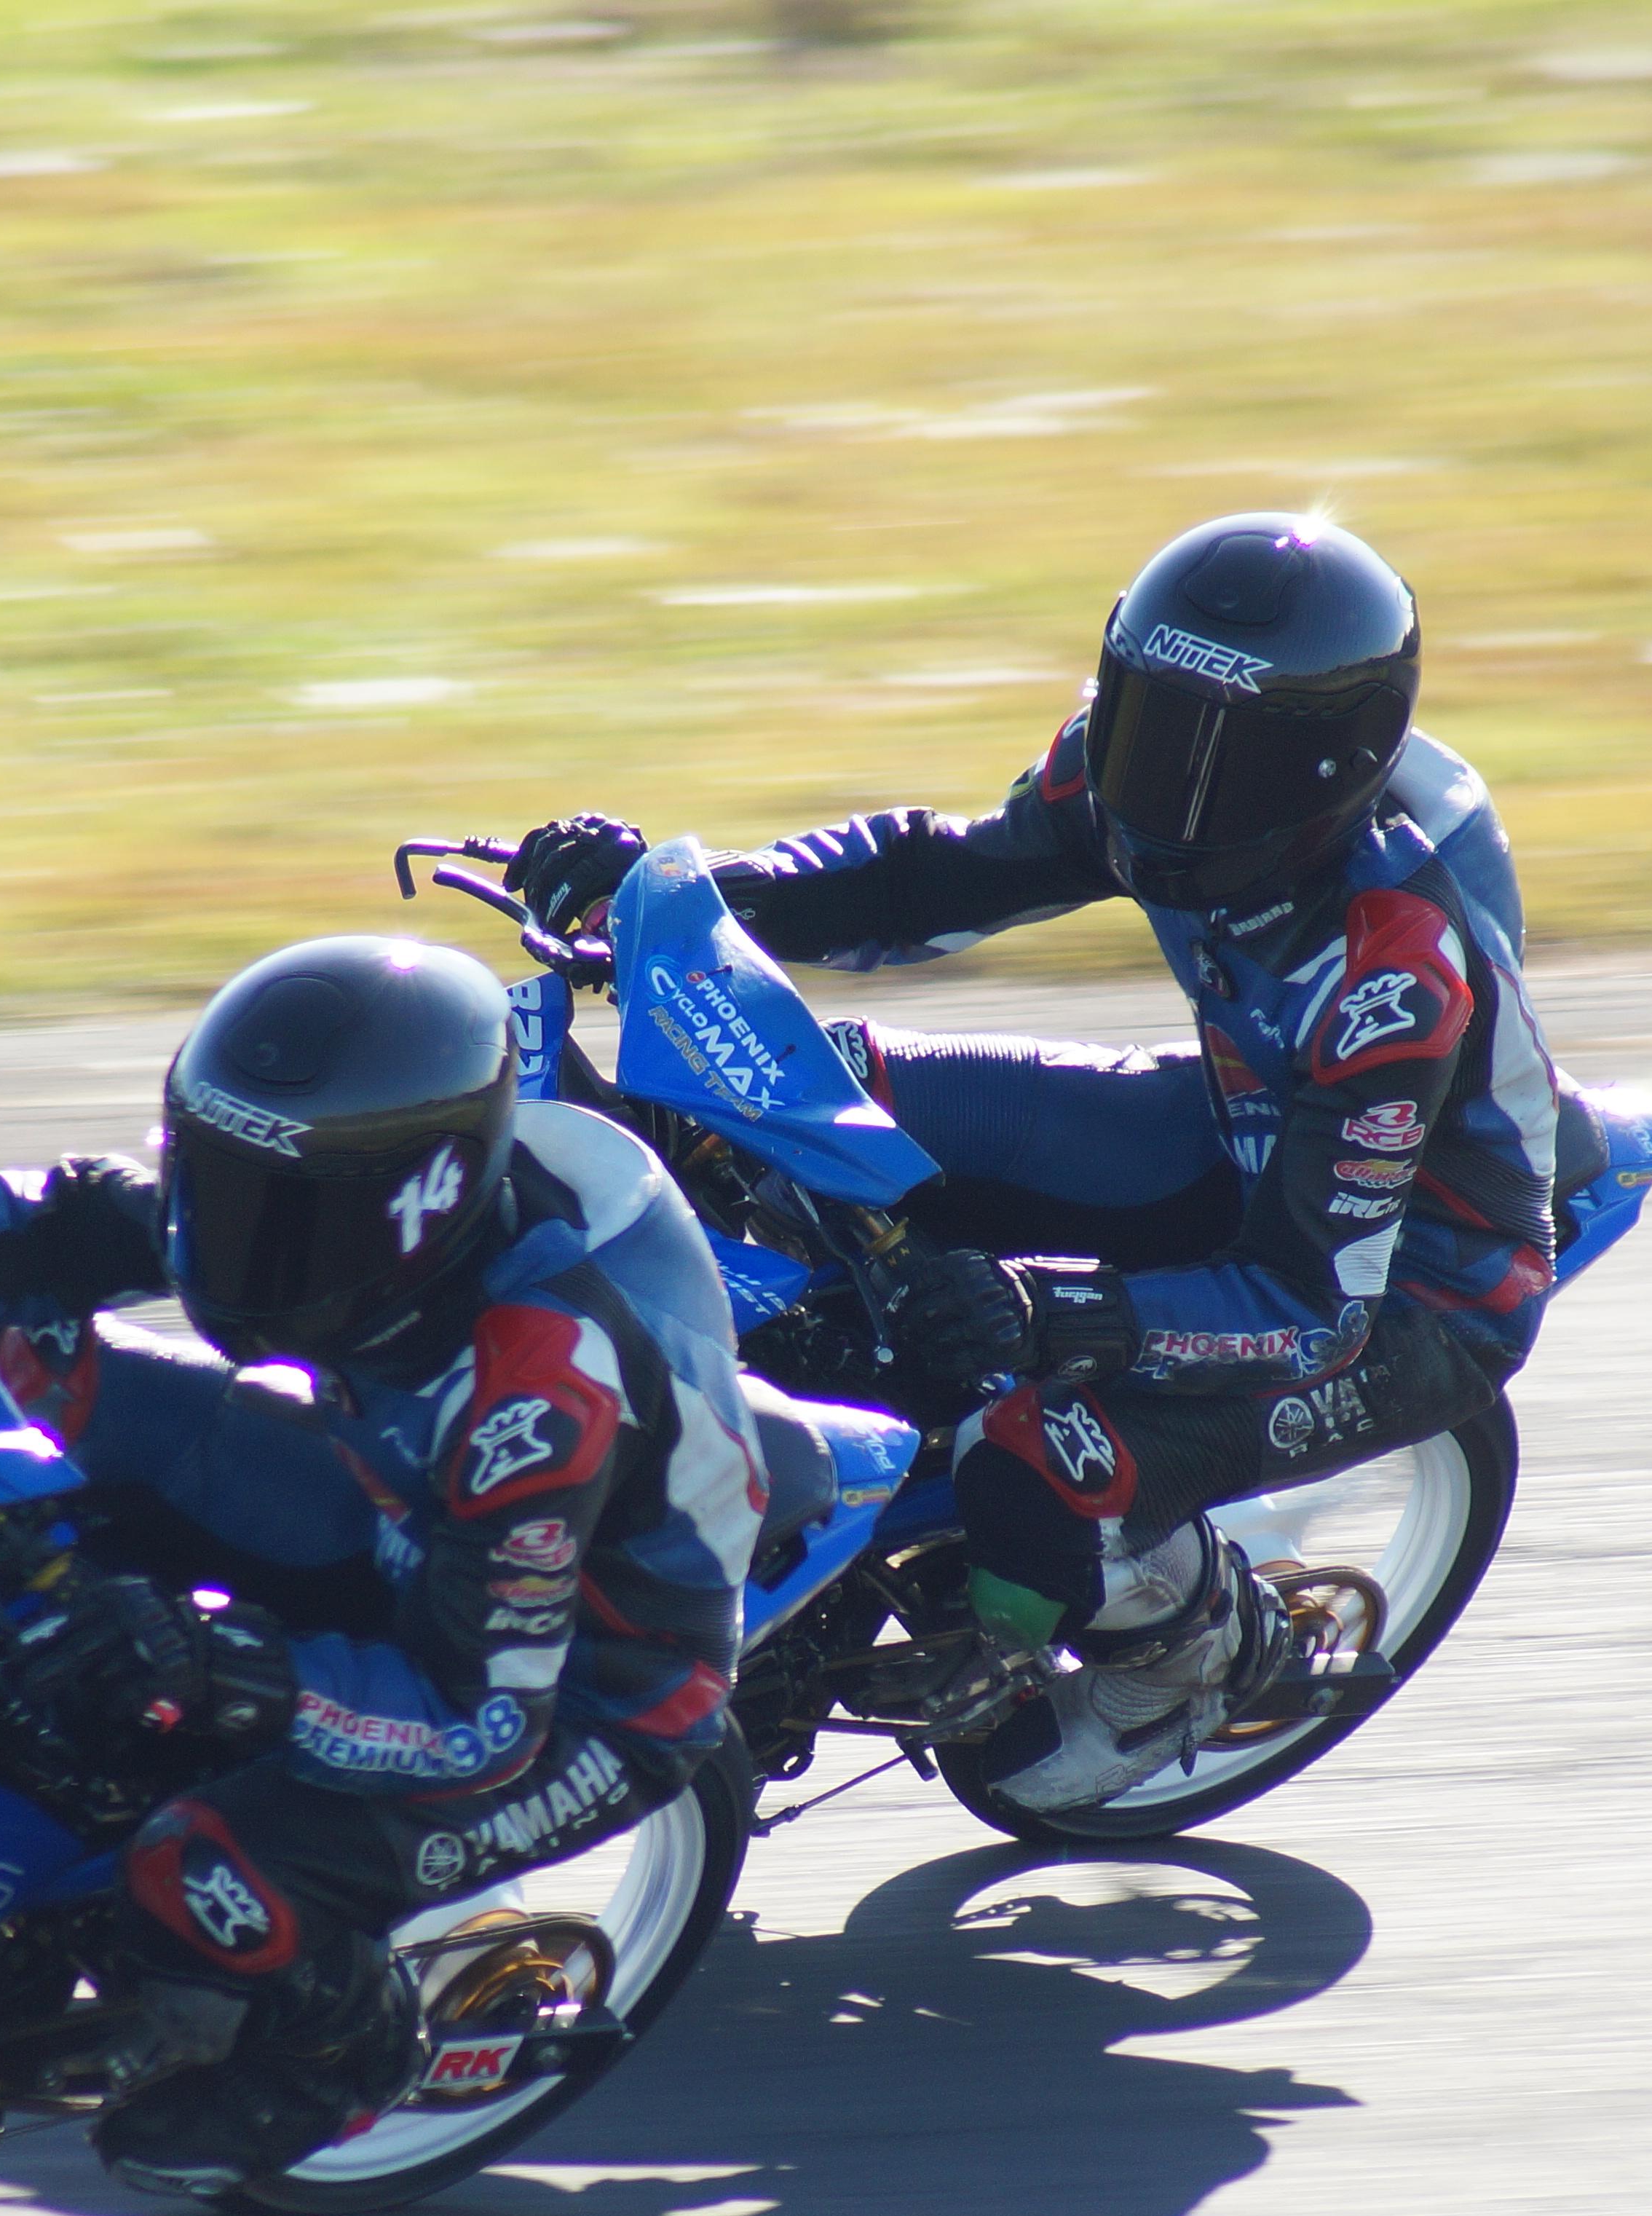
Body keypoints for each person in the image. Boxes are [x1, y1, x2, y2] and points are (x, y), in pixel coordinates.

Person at [507, 511, 1558, 1812]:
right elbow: (932, 875)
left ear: (1330, 776)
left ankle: (1204, 1652)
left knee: (1030, 1455)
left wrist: (1047, 1310)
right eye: (1151, 728)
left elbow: (1314, 1305)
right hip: (1244, 1120)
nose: (1163, 791)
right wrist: (698, 894)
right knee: (805, 1101)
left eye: (1220, 768)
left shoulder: (1388, 977)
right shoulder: (1121, 779)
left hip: (1410, 1287)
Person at [0, 934, 764, 2199]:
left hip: (587, 1681)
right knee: (27, 1379)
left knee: (199, 1864)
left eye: (281, 1220)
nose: (229, 1245)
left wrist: (218, 1661)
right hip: (400, 1504)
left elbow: (479, 1719)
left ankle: (342, 2048)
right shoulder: (310, 1184)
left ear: (423, 1203)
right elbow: (74, 1214)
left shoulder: (537, 1392)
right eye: (216, 1185)